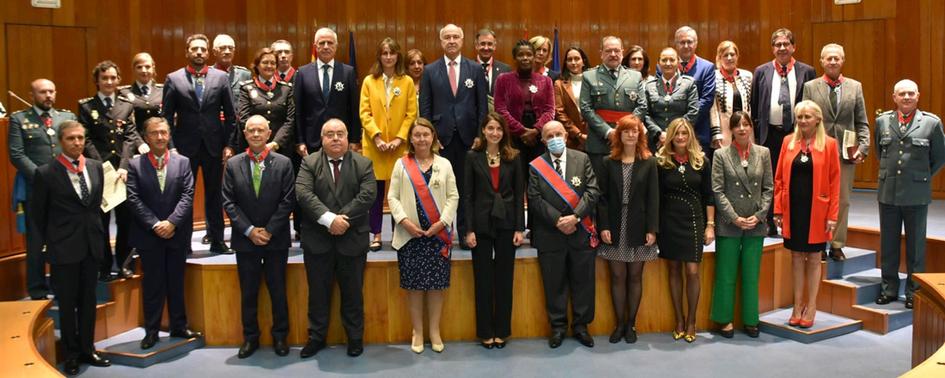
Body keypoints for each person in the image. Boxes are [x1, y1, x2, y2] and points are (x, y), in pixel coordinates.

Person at [31, 121, 111, 375]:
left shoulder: (96, 168)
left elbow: (96, 207)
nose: (77, 143)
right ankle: (71, 353)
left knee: (88, 300)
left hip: (91, 246)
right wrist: (45, 249)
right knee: (67, 304)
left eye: (80, 138)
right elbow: (38, 217)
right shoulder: (46, 173)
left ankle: (88, 348)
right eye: (70, 139)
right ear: (60, 142)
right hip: (63, 248)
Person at [296, 119, 376, 358]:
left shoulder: (363, 163)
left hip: (352, 240)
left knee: (353, 293)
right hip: (318, 241)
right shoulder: (309, 163)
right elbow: (303, 193)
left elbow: (368, 195)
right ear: (322, 139)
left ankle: (354, 338)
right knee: (318, 294)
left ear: (347, 137)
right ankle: (316, 338)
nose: (335, 139)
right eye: (329, 134)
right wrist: (329, 219)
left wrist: (342, 219)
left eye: (340, 134)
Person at [222, 115, 295, 359]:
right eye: (251, 130)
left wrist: (269, 230)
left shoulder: (284, 163)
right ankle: (250, 338)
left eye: (260, 130)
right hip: (245, 241)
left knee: (277, 290)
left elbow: (287, 201)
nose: (255, 134)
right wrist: (250, 230)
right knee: (249, 292)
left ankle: (280, 337)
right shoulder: (233, 164)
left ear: (268, 133)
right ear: (245, 134)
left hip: (276, 239)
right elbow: (228, 202)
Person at [126, 117, 202, 350]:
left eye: (163, 132)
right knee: (153, 285)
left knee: (176, 282)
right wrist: (155, 224)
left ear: (169, 135)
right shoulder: (135, 164)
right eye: (154, 133)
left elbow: (188, 195)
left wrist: (171, 223)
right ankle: (152, 331)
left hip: (176, 233)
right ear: (146, 137)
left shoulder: (182, 162)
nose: (160, 137)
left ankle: (179, 326)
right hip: (149, 235)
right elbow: (133, 198)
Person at [388, 118, 459, 353]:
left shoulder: (445, 164)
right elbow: (392, 197)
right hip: (411, 236)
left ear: (433, 137)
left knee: (436, 287)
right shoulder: (401, 164)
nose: (421, 139)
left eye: (426, 134)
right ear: (410, 138)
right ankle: (418, 331)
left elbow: (453, 197)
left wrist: (442, 223)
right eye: (417, 135)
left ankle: (434, 331)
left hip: (437, 237)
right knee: (414, 287)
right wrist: (405, 222)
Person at [527, 120, 600, 349]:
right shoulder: (536, 165)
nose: (555, 138)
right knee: (554, 282)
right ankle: (558, 327)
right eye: (550, 135)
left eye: (559, 134)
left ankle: (581, 326)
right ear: (543, 140)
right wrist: (558, 220)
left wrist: (575, 217)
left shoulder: (582, 158)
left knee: (583, 281)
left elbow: (592, 190)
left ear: (566, 136)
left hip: (579, 231)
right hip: (550, 233)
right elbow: (535, 197)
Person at [162, 33, 236, 254]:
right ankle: (183, 244)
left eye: (202, 49)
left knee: (215, 195)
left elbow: (231, 116)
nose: (199, 53)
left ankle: (218, 241)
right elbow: (166, 118)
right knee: (185, 196)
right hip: (184, 149)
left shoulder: (221, 78)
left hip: (214, 147)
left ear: (207, 52)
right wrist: (171, 147)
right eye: (194, 49)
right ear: (187, 52)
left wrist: (229, 145)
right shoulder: (173, 79)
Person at [874, 79, 945, 309]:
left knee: (916, 247)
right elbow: (879, 151)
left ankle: (914, 291)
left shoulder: (931, 123)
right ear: (894, 97)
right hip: (889, 193)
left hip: (916, 194)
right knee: (889, 244)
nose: (906, 97)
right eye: (902, 93)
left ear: (918, 96)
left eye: (910, 93)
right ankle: (889, 288)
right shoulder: (882, 121)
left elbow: (939, 157)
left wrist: (921, 176)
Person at [419, 23, 488, 249]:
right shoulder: (430, 71)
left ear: (462, 40)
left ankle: (467, 231)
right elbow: (425, 109)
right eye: (447, 37)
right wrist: (431, 138)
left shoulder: (475, 69)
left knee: (467, 188)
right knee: (440, 187)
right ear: (441, 42)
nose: (451, 41)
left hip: (470, 138)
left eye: (455, 37)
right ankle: (442, 234)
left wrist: (480, 135)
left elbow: (482, 107)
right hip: (441, 140)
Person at [7, 78, 77, 300]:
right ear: (32, 95)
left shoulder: (66, 118)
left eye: (51, 91)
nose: (48, 96)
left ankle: (60, 285)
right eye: (42, 92)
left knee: (61, 240)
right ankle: (37, 289)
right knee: (36, 242)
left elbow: (74, 150)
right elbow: (17, 154)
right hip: (35, 189)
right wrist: (44, 178)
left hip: (64, 189)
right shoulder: (19, 119)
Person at [773, 100, 840, 328]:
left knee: (813, 258)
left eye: (807, 117)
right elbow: (779, 179)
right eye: (799, 117)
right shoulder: (787, 142)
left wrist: (832, 215)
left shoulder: (829, 144)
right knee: (795, 256)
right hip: (793, 209)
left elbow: (834, 182)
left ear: (818, 119)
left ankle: (811, 306)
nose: (802, 121)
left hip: (817, 211)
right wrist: (778, 209)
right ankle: (796, 305)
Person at [801, 43, 870, 262]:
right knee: (818, 198)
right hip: (818, 150)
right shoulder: (811, 87)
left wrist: (863, 147)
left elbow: (862, 122)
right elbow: (804, 119)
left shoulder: (855, 87)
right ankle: (818, 242)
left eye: (836, 58)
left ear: (843, 61)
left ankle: (837, 244)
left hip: (845, 153)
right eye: (828, 58)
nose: (832, 62)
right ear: (821, 61)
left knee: (843, 200)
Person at [463, 113, 525, 349]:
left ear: (504, 132)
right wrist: (468, 229)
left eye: (498, 129)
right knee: (483, 279)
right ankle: (485, 331)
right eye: (490, 128)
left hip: (507, 223)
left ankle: (502, 331)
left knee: (504, 278)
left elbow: (520, 195)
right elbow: (467, 196)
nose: (495, 133)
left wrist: (520, 227)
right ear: (483, 131)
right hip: (480, 224)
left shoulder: (514, 157)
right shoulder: (472, 157)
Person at [709, 111, 773, 338]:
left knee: (751, 273)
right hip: (730, 223)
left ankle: (750, 319)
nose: (743, 129)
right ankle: (723, 319)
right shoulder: (721, 155)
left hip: (755, 222)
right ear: (731, 130)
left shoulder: (763, 153)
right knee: (725, 274)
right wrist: (734, 217)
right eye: (738, 126)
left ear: (751, 128)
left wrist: (760, 214)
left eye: (746, 124)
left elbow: (769, 188)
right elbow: (717, 190)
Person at [596, 114, 658, 344]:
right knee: (617, 276)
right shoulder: (607, 162)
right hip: (614, 223)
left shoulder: (649, 162)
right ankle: (619, 324)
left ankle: (631, 324)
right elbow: (601, 198)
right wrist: (603, 226)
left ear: (640, 135)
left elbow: (654, 198)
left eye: (635, 131)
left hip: (640, 226)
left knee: (634, 276)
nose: (631, 134)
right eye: (627, 131)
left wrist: (653, 229)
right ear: (619, 134)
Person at [750, 28, 817, 237]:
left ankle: (792, 220)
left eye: (785, 44)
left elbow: (811, 104)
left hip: (797, 134)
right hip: (770, 133)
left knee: (795, 177)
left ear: (793, 47)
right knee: (769, 179)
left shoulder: (807, 71)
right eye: (777, 45)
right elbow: (754, 104)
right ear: (772, 48)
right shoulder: (761, 71)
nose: (781, 48)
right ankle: (769, 219)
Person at [78, 60, 139, 281]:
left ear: (118, 80)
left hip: (123, 174)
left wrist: (123, 167)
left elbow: (130, 138)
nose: (109, 82)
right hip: (99, 171)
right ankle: (103, 267)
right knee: (101, 223)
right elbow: (86, 139)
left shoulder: (126, 105)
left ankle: (124, 264)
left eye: (113, 78)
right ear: (97, 81)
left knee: (126, 221)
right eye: (105, 78)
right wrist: (102, 166)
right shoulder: (86, 106)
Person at [656, 118, 715, 343]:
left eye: (684, 133)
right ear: (670, 136)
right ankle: (679, 319)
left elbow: (709, 196)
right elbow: (657, 197)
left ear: (690, 135)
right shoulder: (660, 162)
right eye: (677, 134)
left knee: (692, 271)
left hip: (693, 221)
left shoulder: (702, 161)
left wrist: (710, 226)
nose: (681, 137)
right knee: (673, 270)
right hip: (669, 222)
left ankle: (691, 320)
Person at [360, 37, 418, 251]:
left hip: (398, 146)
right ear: (379, 56)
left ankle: (398, 233)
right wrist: (376, 136)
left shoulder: (407, 81)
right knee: (374, 194)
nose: (388, 57)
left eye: (392, 53)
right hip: (374, 146)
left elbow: (411, 114)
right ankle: (375, 234)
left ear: (397, 56)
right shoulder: (369, 81)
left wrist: (399, 138)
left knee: (398, 192)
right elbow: (364, 113)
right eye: (384, 53)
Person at [579, 36, 648, 175]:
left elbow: (642, 106)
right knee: (600, 188)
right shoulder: (589, 76)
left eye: (616, 50)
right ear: (601, 53)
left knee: (627, 186)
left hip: (628, 141)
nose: (613, 54)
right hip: (599, 143)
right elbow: (586, 108)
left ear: (622, 52)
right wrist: (608, 132)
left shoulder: (635, 76)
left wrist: (624, 129)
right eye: (608, 51)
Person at [295, 27, 362, 156]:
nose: (326, 47)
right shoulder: (303, 73)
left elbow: (354, 108)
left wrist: (354, 139)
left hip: (340, 140)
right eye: (322, 43)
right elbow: (298, 111)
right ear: (315, 46)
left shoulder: (348, 72)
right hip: (312, 140)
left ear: (336, 46)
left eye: (330, 43)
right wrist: (299, 140)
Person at [495, 40, 555, 173]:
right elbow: (500, 110)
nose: (525, 58)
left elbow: (550, 110)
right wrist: (522, 131)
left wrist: (535, 131)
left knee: (538, 176)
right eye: (520, 55)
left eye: (529, 54)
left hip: (539, 136)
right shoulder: (503, 79)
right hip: (513, 136)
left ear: (534, 57)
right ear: (515, 58)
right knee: (515, 177)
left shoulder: (546, 81)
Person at [235, 48, 296, 153]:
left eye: (272, 63)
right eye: (265, 62)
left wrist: (275, 143)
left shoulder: (286, 89)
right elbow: (244, 118)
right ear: (257, 65)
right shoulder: (246, 88)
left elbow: (290, 120)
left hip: (280, 148)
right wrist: (259, 142)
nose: (269, 66)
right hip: (253, 146)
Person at [643, 47, 699, 152]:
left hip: (681, 140)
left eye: (672, 60)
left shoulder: (689, 84)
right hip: (657, 141)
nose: (668, 63)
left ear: (678, 61)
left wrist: (673, 133)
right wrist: (659, 133)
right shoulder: (650, 86)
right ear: (658, 63)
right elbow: (646, 114)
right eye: (664, 60)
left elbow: (693, 112)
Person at [673, 26, 718, 154]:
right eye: (682, 42)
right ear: (676, 44)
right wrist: (675, 127)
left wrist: (684, 122)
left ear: (696, 43)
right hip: (672, 133)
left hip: (698, 132)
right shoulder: (665, 66)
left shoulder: (707, 67)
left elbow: (707, 100)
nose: (686, 45)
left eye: (690, 42)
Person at [710, 41, 753, 148]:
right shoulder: (713, 77)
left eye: (732, 54)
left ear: (737, 56)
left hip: (745, 130)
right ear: (719, 58)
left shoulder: (748, 76)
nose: (729, 58)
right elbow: (713, 109)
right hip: (724, 132)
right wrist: (716, 134)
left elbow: (752, 105)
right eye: (725, 55)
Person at [119, 53, 164, 151]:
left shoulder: (163, 91)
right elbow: (127, 124)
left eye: (147, 67)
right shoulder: (124, 93)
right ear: (134, 69)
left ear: (153, 68)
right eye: (139, 67)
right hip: (137, 147)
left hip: (161, 142)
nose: (144, 71)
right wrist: (139, 143)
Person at [555, 46, 590, 150]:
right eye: (570, 59)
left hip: (594, 135)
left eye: (577, 58)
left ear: (583, 61)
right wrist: (578, 134)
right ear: (566, 63)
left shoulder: (593, 81)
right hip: (572, 137)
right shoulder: (559, 84)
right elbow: (559, 112)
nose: (573, 62)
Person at [475, 28, 512, 108]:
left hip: (497, 118)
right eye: (482, 44)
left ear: (494, 46)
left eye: (490, 44)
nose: (486, 48)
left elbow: (509, 98)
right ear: (476, 46)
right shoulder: (468, 68)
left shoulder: (505, 69)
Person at [212, 34, 253, 102]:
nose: (227, 51)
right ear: (214, 51)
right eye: (222, 48)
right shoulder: (206, 74)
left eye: (230, 48)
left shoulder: (245, 75)